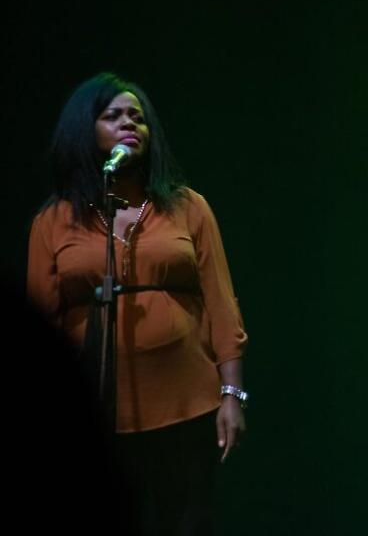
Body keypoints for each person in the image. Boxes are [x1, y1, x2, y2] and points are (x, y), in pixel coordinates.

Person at [26, 73, 249, 535]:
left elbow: (222, 304)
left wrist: (232, 394)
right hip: (98, 409)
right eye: (113, 116)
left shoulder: (189, 208)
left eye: (138, 117)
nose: (130, 125)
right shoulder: (53, 221)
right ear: (83, 132)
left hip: (187, 405)